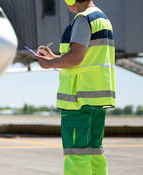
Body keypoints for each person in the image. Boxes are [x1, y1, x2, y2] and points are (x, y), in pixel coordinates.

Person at [34, 0, 115, 174]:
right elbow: (85, 59)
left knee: (76, 154)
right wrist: (54, 57)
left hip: (78, 101)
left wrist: (48, 64)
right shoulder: (102, 19)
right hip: (97, 99)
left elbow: (75, 58)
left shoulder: (83, 19)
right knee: (94, 152)